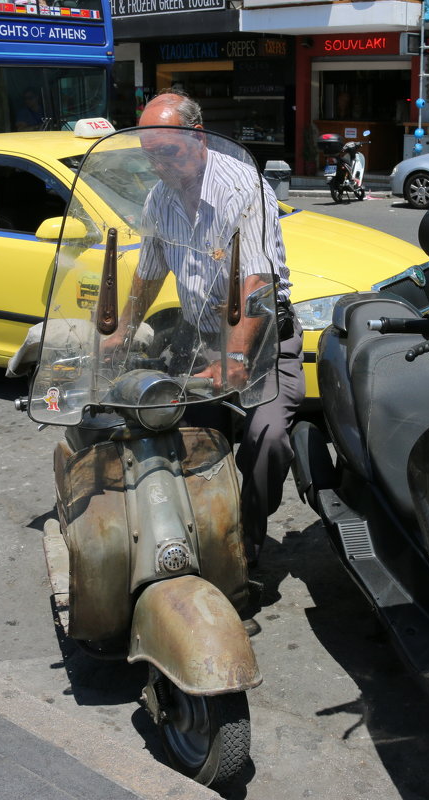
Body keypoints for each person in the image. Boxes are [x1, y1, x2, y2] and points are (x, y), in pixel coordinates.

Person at [111, 91, 305, 566]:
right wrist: (120, 331)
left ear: (197, 137)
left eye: (167, 152)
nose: (158, 166)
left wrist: (237, 359)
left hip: (262, 341)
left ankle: (247, 539)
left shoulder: (242, 186)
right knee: (182, 435)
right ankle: (203, 534)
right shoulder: (160, 197)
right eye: (149, 155)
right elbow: (150, 270)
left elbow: (256, 284)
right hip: (201, 342)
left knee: (268, 438)